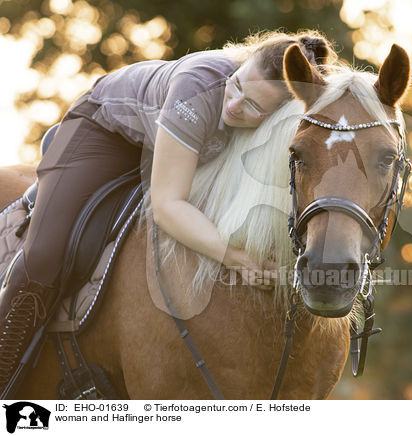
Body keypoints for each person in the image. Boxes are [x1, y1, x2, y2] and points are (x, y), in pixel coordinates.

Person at [0, 29, 336, 394]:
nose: (235, 104)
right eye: (237, 84)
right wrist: (234, 257)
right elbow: (167, 205)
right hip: (104, 132)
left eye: (254, 106)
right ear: (240, 65)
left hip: (182, 143)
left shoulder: (271, 119)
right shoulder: (198, 88)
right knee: (45, 254)